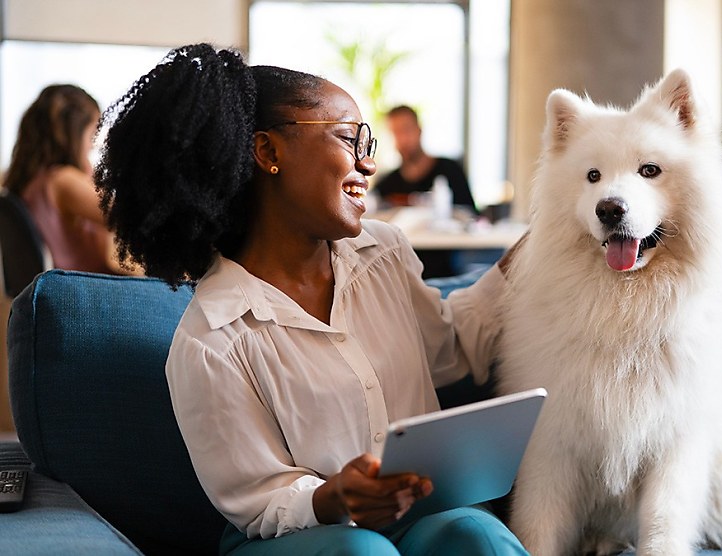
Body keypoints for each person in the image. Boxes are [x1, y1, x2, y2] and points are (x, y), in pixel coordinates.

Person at [94, 44, 527, 555]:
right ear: (269, 152)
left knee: (474, 534)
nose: (368, 162)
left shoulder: (382, 255)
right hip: (300, 538)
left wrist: (543, 246)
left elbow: (450, 350)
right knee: (361, 552)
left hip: (419, 518)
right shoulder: (212, 340)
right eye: (348, 137)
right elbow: (259, 502)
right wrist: (334, 497)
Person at [2, 84, 137, 275]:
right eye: (91, 136)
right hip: (83, 290)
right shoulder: (63, 181)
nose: (92, 146)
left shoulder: (31, 181)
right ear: (74, 134)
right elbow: (130, 217)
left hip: (61, 289)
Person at [374, 105, 477, 214]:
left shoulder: (450, 170)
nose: (403, 139)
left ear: (419, 130)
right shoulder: (387, 185)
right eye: (396, 133)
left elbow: (472, 216)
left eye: (406, 130)